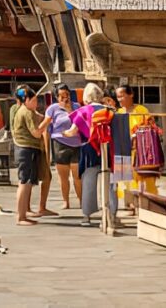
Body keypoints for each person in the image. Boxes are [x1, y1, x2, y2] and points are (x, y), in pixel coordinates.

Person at [65, 82, 118, 227]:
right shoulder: (111, 111)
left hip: (89, 149)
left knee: (89, 181)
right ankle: (112, 214)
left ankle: (86, 216)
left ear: (86, 97)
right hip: (109, 149)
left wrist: (61, 133)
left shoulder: (83, 111)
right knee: (111, 182)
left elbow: (72, 131)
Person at [9, 86, 57, 219]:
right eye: (34, 100)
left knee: (27, 182)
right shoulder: (26, 112)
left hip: (29, 149)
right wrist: (46, 122)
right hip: (25, 148)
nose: (37, 104)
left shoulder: (26, 110)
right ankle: (21, 216)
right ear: (27, 100)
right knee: (24, 182)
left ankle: (24, 213)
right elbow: (36, 133)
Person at [116, 84, 159, 200]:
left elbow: (150, 127)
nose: (119, 99)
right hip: (123, 149)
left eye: (122, 96)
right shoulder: (118, 113)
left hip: (141, 149)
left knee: (146, 177)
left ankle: (151, 201)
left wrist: (137, 135)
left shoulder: (141, 110)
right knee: (124, 180)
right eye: (117, 97)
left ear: (131, 95)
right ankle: (129, 203)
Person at [45, 83, 82, 209]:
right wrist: (47, 151)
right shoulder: (52, 109)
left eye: (66, 95)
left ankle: (81, 200)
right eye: (61, 96)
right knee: (63, 177)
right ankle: (66, 201)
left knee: (77, 176)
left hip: (76, 144)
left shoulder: (77, 107)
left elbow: (81, 122)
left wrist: (70, 109)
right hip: (59, 143)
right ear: (56, 97)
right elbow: (47, 129)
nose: (64, 98)